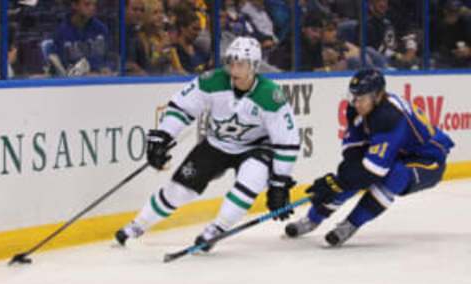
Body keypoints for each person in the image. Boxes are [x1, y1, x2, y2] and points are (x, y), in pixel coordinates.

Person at [115, 36, 300, 251]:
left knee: (251, 179)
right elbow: (182, 107)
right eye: (231, 61)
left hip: (256, 148)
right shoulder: (211, 80)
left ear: (255, 66)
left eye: (241, 63)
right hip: (216, 143)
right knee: (179, 190)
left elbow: (287, 142)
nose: (234, 67)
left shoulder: (271, 95)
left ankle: (216, 229)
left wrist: (278, 183)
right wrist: (164, 136)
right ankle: (138, 225)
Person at [285, 68, 454, 246]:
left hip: (428, 161)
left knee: (393, 175)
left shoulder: (390, 117)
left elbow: (374, 171)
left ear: (377, 96)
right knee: (351, 174)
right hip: (397, 152)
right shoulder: (358, 109)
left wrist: (339, 183)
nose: (356, 103)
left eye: (361, 98)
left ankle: (350, 224)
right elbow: (352, 152)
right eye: (353, 97)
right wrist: (338, 182)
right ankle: (312, 219)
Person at [49, 0, 112, 76]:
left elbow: (109, 57)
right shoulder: (61, 32)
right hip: (73, 82)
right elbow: (60, 66)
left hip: (100, 80)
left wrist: (107, 68)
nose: (92, 8)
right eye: (87, 4)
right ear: (75, 5)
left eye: (94, 5)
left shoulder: (101, 29)